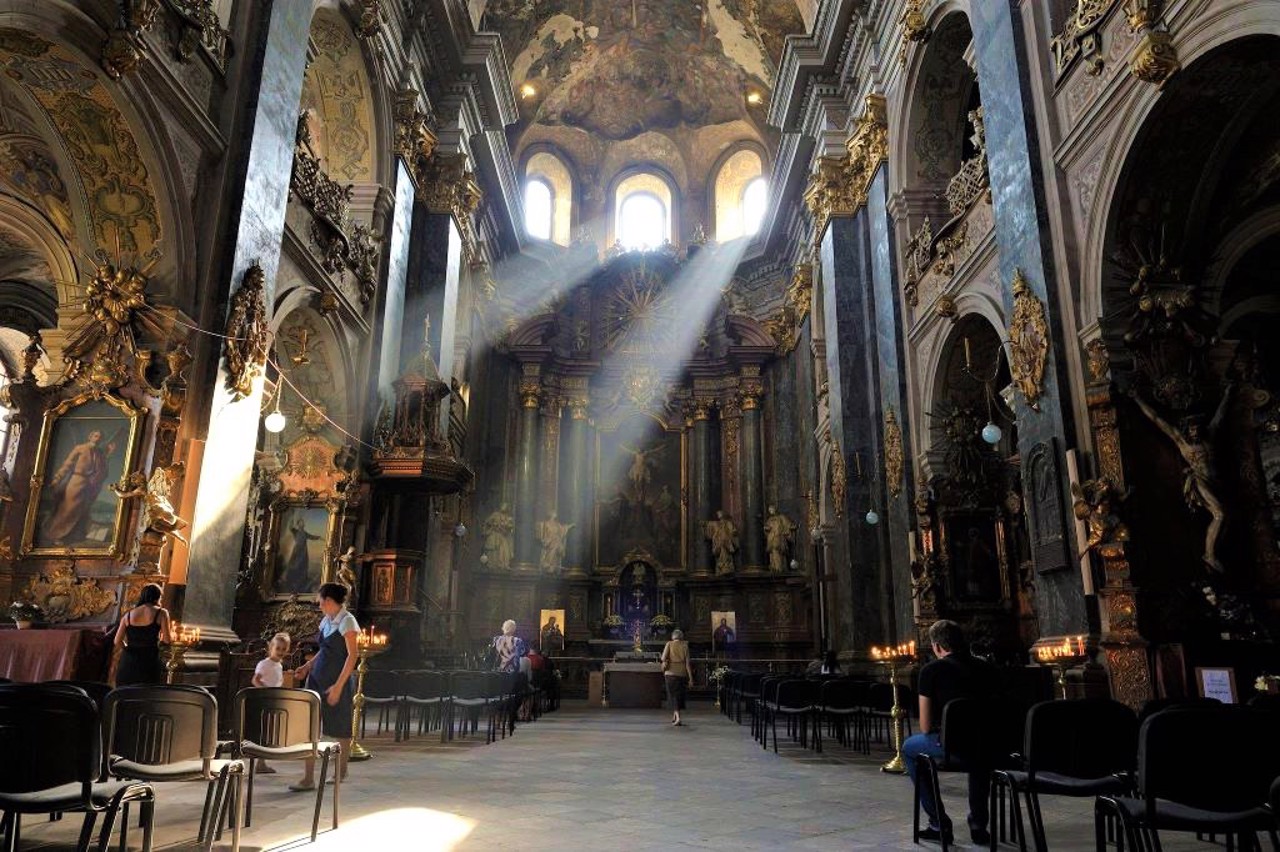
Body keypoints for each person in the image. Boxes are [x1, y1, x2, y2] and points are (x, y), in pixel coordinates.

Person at [903, 620, 999, 845]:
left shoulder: (931, 670)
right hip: (990, 743)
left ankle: (938, 822)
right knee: (979, 751)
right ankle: (978, 823)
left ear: (936, 647)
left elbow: (925, 727)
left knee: (909, 748)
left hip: (952, 745)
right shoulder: (987, 668)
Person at [289, 583, 358, 791]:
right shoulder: (326, 621)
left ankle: (341, 770)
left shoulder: (348, 622)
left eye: (320, 602)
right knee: (310, 727)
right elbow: (324, 650)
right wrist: (308, 666)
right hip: (317, 678)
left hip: (337, 681)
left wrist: (338, 686)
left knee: (340, 727)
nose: (319, 606)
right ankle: (308, 778)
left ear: (328, 601)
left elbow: (352, 656)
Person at [45, 427, 121, 544]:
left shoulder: (100, 454)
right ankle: (56, 534)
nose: (98, 439)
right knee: (68, 509)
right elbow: (67, 464)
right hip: (76, 482)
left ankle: (73, 536)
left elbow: (102, 470)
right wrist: (57, 478)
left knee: (82, 511)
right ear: (90, 437)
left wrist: (109, 453)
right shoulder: (80, 449)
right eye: (96, 436)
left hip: (89, 485)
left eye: (100, 437)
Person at [113, 583, 171, 686]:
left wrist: (129, 648)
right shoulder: (162, 613)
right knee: (145, 695)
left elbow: (117, 640)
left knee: (125, 695)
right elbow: (167, 640)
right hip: (149, 660)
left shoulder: (128, 614)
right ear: (157, 597)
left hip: (128, 661)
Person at [251, 632, 292, 774]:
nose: (280, 651)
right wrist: (266, 692)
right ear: (271, 648)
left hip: (273, 700)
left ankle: (261, 763)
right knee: (264, 732)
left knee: (270, 732)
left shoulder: (279, 666)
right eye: (278, 648)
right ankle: (258, 762)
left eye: (283, 649)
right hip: (264, 700)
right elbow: (255, 680)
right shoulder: (265, 664)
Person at [660, 628, 693, 726]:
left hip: (670, 673)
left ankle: (678, 718)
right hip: (682, 673)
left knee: (673, 696)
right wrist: (691, 678)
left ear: (673, 636)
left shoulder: (669, 644)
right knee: (678, 696)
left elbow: (663, 658)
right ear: (681, 636)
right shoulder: (685, 645)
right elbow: (688, 663)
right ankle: (675, 716)